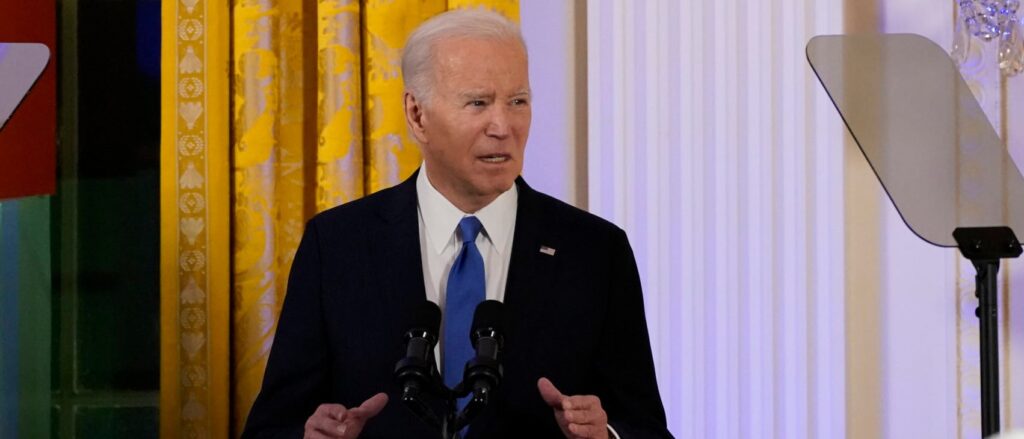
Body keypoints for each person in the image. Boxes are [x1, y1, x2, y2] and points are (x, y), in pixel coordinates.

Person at [242, 8, 670, 439]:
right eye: (478, 103)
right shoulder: (337, 245)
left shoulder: (595, 251)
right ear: (417, 115)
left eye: (518, 101)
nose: (503, 126)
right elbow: (271, 427)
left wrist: (606, 435)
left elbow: (645, 427)